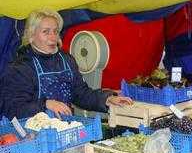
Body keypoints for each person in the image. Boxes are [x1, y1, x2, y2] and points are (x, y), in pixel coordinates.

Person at [1, 9, 133, 119]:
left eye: (55, 31)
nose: (53, 37)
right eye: (46, 32)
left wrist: (107, 99)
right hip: (33, 137)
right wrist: (45, 104)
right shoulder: (19, 68)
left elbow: (81, 94)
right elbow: (13, 108)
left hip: (66, 129)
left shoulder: (66, 60)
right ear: (31, 35)